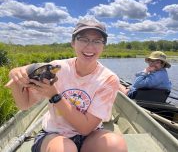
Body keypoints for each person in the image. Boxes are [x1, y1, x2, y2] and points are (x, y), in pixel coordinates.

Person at [6, 19, 127, 152]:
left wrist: (54, 96)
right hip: (54, 134)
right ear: (73, 43)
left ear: (103, 46)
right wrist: (15, 77)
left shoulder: (108, 79)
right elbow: (24, 105)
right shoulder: (57, 68)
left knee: (115, 145)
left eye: (97, 41)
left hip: (89, 135)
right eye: (83, 39)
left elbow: (85, 128)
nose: (90, 46)